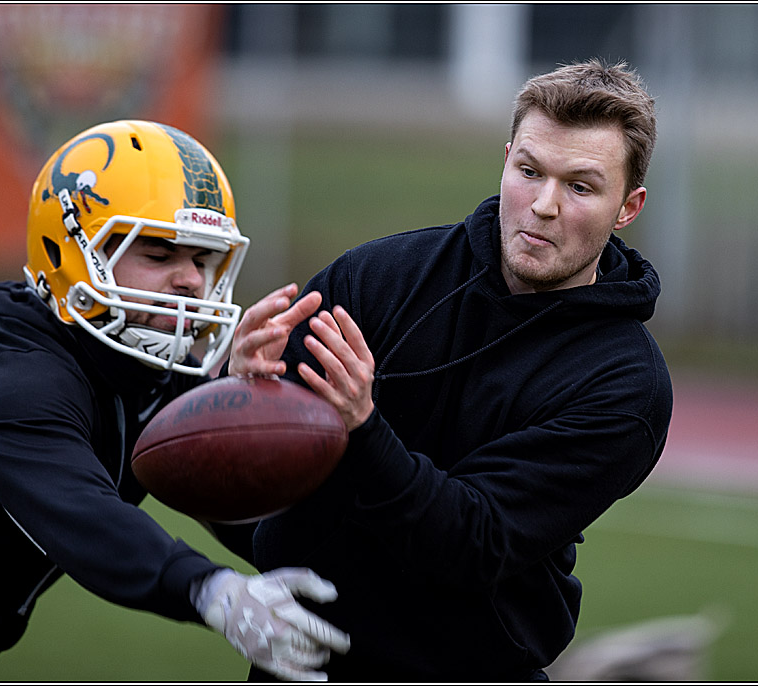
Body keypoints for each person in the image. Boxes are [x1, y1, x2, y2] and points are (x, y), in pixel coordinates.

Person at [220, 58, 674, 681]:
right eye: (530, 172)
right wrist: (241, 394)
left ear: (628, 207)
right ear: (506, 160)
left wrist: (362, 427)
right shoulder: (376, 279)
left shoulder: (625, 385)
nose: (543, 205)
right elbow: (244, 481)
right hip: (298, 665)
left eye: (580, 187)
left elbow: (471, 542)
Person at [0, 119, 349, 682]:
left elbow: (238, 505)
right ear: (70, 253)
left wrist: (245, 403)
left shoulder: (137, 370)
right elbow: (83, 516)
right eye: (158, 254)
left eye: (202, 259)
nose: (191, 281)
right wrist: (210, 588)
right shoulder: (14, 384)